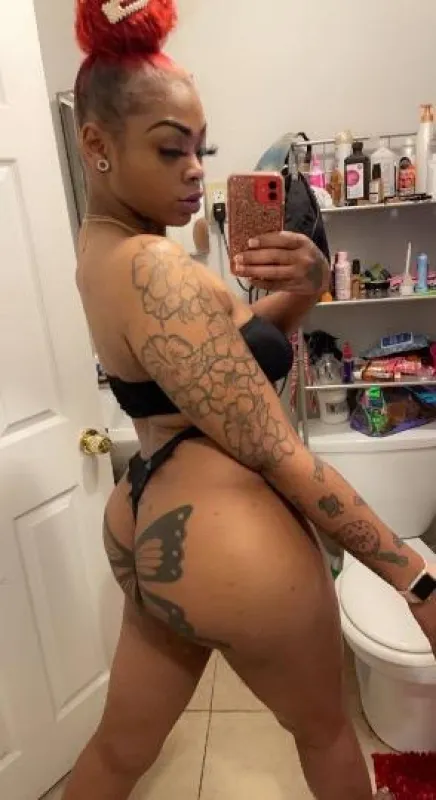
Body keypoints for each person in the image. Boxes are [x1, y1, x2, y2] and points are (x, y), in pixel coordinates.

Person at [65, 2, 436, 799]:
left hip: (150, 524)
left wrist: (306, 287)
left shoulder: (102, 252)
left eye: (201, 150)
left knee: (118, 751)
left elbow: (218, 363)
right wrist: (417, 582)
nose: (195, 170)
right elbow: (277, 451)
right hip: (228, 538)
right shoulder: (159, 270)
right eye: (171, 148)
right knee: (326, 733)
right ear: (97, 145)